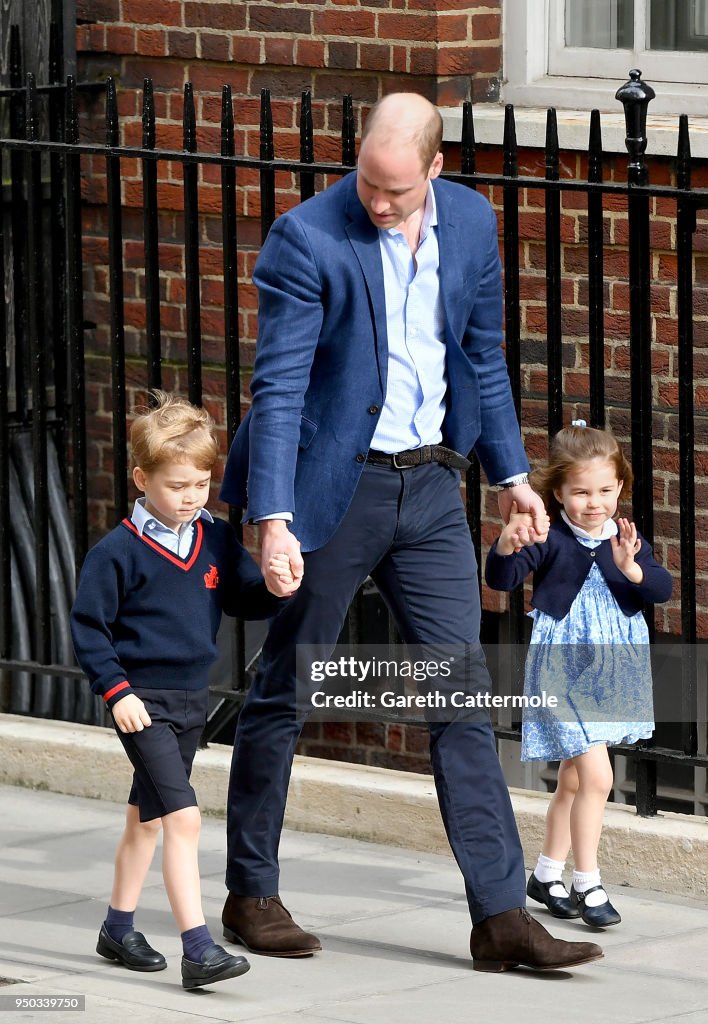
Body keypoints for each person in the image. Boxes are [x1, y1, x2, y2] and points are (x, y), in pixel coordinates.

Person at [220, 92, 604, 972]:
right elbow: (277, 391)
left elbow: (482, 355)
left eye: (395, 191)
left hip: (431, 484)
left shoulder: (470, 221)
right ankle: (251, 893)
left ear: (434, 169)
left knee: (459, 699)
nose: (377, 204)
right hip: (334, 489)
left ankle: (501, 918)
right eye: (367, 183)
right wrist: (271, 520)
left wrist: (511, 477)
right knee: (287, 689)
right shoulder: (309, 237)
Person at [70, 391, 287, 989]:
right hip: (142, 705)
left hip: (194, 699)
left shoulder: (213, 538)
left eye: (201, 484)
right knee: (183, 817)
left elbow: (244, 598)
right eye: (176, 486)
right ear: (141, 479)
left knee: (146, 818)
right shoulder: (114, 553)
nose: (191, 497)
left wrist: (275, 584)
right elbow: (89, 630)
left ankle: (117, 927)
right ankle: (198, 949)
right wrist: (117, 692)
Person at [485, 421, 672, 927]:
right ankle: (588, 883)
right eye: (582, 492)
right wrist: (505, 545)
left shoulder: (626, 539)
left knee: (572, 779)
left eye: (606, 491)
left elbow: (660, 590)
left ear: (620, 488)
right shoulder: (551, 537)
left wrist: (633, 569)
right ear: (558, 492)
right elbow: (501, 580)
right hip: (564, 668)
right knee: (597, 776)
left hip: (612, 670)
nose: (595, 503)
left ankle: (546, 875)